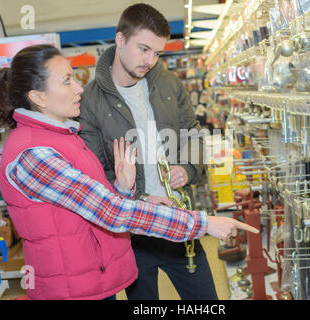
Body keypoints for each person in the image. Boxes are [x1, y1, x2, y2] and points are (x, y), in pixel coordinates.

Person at [0, 44, 258, 300]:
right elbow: (111, 212)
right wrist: (203, 224)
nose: (79, 88)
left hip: (87, 281)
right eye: (66, 81)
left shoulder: (63, 137)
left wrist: (126, 190)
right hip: (69, 290)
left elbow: (92, 204)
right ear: (37, 97)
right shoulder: (34, 154)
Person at [79, 4, 225, 300]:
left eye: (157, 52)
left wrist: (189, 167)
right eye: (143, 49)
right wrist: (139, 197)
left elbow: (193, 132)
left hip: (179, 223)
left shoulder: (168, 84)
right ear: (120, 40)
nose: (150, 60)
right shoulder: (90, 102)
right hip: (134, 235)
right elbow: (95, 173)